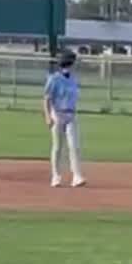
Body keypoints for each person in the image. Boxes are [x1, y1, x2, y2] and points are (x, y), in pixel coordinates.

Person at [43, 50, 85, 188]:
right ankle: (56, 176)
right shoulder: (54, 79)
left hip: (71, 114)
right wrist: (48, 116)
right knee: (57, 147)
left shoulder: (73, 79)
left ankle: (77, 176)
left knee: (74, 146)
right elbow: (47, 98)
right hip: (58, 114)